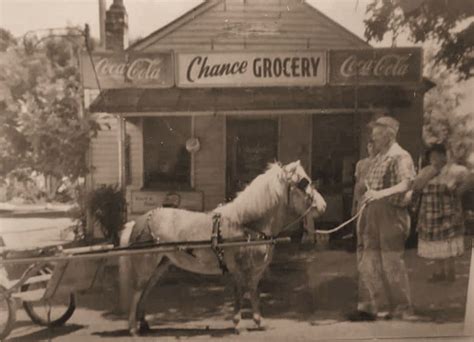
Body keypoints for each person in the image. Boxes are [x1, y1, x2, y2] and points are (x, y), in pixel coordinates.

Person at [348, 116, 417, 321]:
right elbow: (368, 185)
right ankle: (371, 306)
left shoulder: (400, 156)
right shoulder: (378, 157)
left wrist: (380, 194)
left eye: (377, 135)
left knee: (391, 262)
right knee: (369, 260)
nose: (373, 138)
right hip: (373, 212)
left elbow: (407, 184)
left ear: (389, 135)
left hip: (391, 213)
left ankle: (403, 308)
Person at [412, 144, 471, 282]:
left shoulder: (455, 170)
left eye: (438, 156)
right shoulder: (427, 170)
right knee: (435, 243)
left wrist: (458, 191)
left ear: (445, 156)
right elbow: (416, 186)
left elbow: (470, 179)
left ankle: (450, 273)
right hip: (430, 212)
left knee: (447, 243)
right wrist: (431, 171)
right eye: (432, 156)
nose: (434, 159)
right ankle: (439, 273)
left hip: (448, 213)